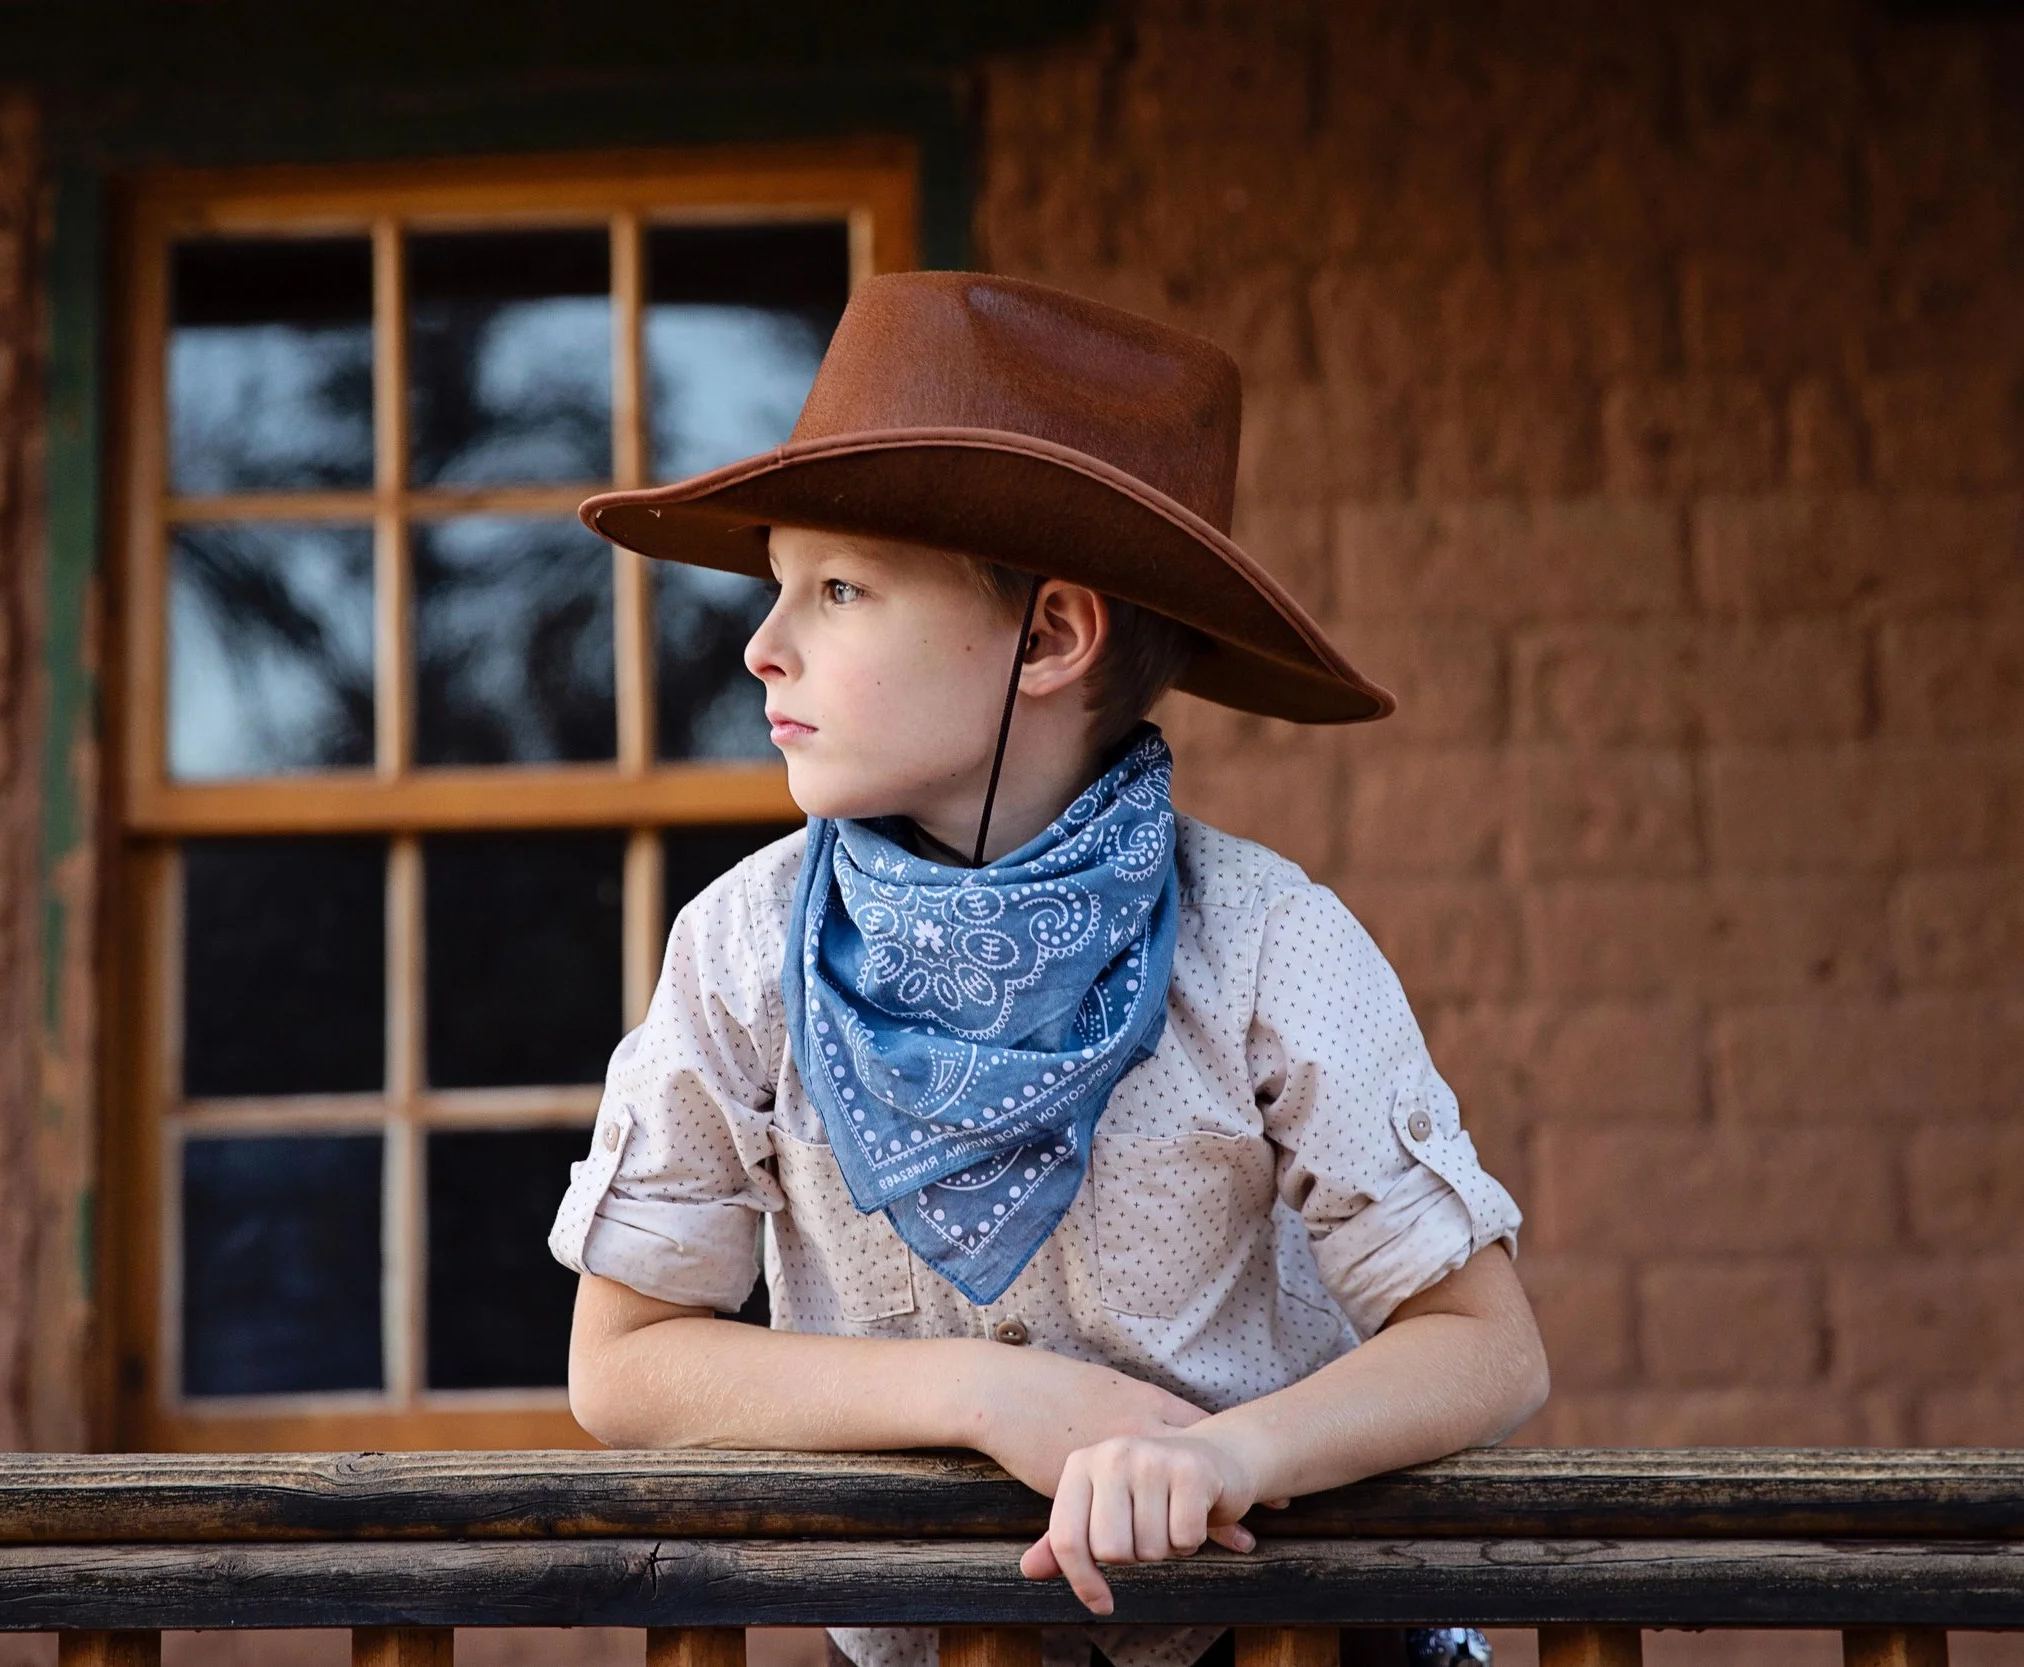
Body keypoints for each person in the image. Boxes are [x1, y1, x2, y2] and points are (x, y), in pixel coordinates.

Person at [546, 272, 1548, 1667]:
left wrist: (1229, 1456)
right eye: (779, 586)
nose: (764, 644)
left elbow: (1488, 1346)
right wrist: (978, 1394)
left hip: (1282, 1650)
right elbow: (622, 1363)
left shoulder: (1265, 938)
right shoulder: (738, 947)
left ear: (1055, 636)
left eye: (838, 588)